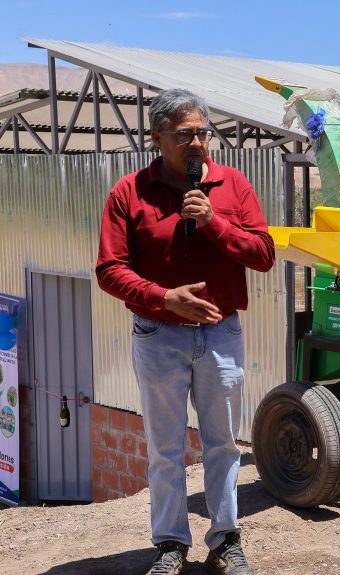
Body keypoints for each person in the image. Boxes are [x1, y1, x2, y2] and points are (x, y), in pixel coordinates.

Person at [95, 88, 275, 575]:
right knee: (166, 446)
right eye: (184, 134)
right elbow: (109, 270)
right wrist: (162, 298)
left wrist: (213, 222)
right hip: (159, 335)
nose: (197, 142)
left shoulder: (232, 186)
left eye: (202, 132)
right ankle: (171, 543)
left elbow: (263, 255)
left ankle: (225, 540)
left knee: (222, 443)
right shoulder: (128, 192)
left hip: (221, 335)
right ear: (157, 138)